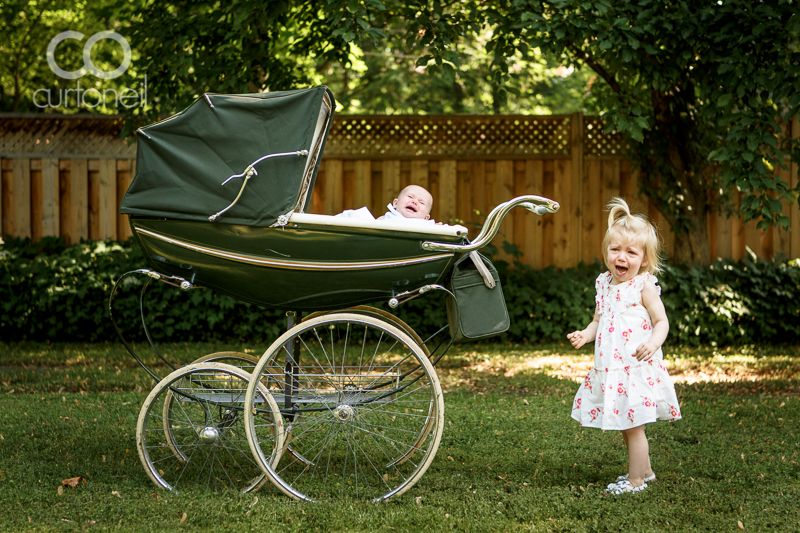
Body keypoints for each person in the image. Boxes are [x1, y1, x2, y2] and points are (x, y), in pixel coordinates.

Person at [567, 197, 681, 495]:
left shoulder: (643, 285)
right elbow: (598, 320)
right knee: (626, 425)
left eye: (631, 252)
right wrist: (585, 334)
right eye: (615, 249)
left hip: (635, 368)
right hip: (612, 369)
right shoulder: (604, 284)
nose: (622, 257)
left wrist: (653, 343)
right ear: (606, 252)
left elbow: (662, 322)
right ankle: (645, 471)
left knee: (633, 427)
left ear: (643, 259)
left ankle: (636, 481)